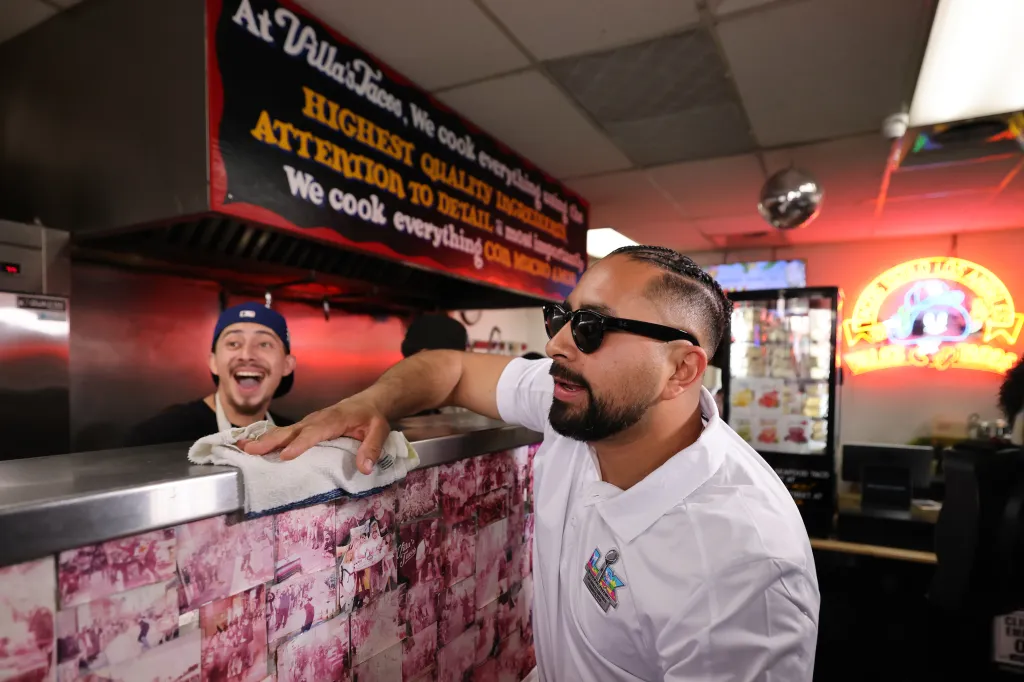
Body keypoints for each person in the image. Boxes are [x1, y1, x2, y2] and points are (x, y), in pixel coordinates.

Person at [243, 245, 820, 681]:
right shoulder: (575, 405)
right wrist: (369, 404)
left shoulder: (741, 569)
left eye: (591, 328)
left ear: (682, 370)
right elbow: (452, 367)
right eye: (560, 319)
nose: (557, 345)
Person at [125, 302, 297, 446]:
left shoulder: (294, 437)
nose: (247, 355)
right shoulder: (157, 437)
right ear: (213, 362)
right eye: (233, 343)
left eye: (264, 344)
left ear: (287, 365)